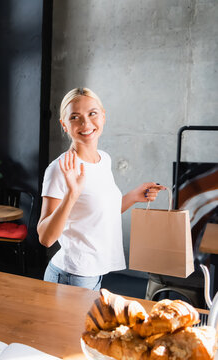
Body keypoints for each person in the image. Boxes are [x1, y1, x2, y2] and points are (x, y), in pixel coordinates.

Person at [37, 87, 165, 291]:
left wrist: (133, 196)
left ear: (103, 116)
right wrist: (72, 195)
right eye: (75, 117)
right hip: (72, 275)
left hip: (95, 272)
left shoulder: (104, 159)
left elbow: (100, 215)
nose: (85, 123)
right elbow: (45, 238)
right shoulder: (59, 169)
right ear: (64, 125)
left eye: (92, 113)